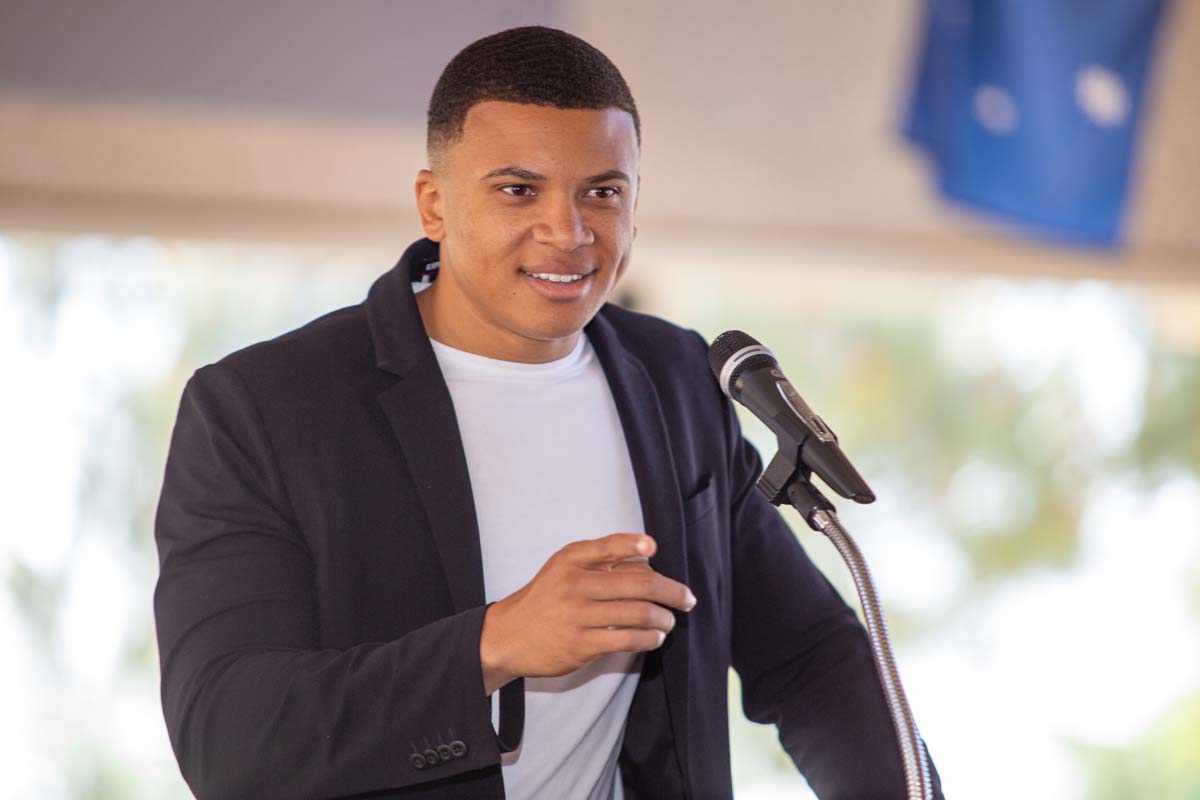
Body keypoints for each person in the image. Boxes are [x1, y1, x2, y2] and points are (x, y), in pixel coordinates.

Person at [153, 25, 944, 800]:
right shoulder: (262, 409)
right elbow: (226, 735)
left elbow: (809, 655)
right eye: (517, 190)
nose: (567, 233)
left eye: (602, 192)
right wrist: (495, 644)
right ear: (433, 204)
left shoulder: (676, 382)